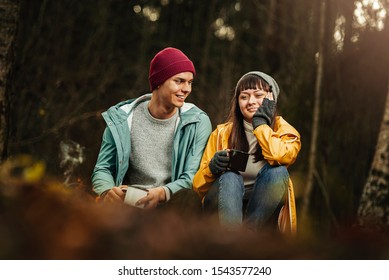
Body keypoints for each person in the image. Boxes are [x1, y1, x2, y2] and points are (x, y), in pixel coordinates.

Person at [91, 47, 212, 213]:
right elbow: (103, 168)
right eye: (179, 81)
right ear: (159, 82)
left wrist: (162, 193)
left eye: (190, 82)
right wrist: (107, 191)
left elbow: (192, 177)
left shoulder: (197, 122)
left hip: (171, 203)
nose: (187, 89)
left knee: (190, 198)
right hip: (128, 203)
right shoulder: (121, 118)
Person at [193, 71, 301, 233]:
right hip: (222, 203)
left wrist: (261, 125)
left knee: (278, 172)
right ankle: (233, 238)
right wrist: (212, 168)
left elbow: (280, 156)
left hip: (262, 210)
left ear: (271, 100)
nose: (251, 101)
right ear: (237, 102)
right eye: (244, 97)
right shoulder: (221, 133)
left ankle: (247, 237)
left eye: (258, 95)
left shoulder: (286, 131)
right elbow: (197, 186)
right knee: (230, 176)